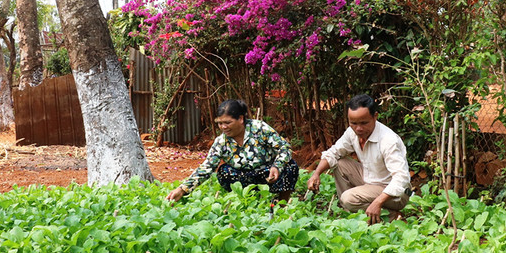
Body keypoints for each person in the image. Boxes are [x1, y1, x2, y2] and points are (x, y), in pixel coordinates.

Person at [166, 99, 299, 202]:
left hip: (268, 174)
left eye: (227, 123)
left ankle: (281, 204)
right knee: (224, 172)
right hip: (244, 177)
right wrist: (182, 189)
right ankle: (244, 201)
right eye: (220, 123)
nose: (223, 127)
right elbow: (206, 167)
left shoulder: (260, 128)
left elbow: (284, 147)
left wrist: (277, 166)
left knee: (290, 167)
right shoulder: (221, 142)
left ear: (241, 119)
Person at [307, 94, 410, 224]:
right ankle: (351, 212)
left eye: (364, 123)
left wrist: (378, 202)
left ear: (375, 116)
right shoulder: (352, 132)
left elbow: (402, 179)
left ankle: (388, 216)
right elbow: (333, 153)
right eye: (353, 123)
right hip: (370, 181)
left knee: (348, 198)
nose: (358, 128)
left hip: (394, 194)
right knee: (339, 163)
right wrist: (316, 174)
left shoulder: (388, 140)